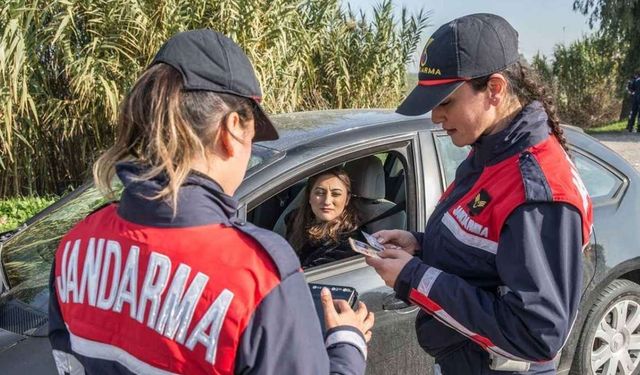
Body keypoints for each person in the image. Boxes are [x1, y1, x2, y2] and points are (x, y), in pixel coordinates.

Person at [48, 29, 374, 375]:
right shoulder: (256, 275)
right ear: (232, 129)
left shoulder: (76, 244)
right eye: (251, 138)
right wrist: (347, 345)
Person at [366, 13, 593, 375]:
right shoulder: (489, 150)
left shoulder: (537, 193)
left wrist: (414, 277)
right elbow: (491, 252)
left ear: (495, 89)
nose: (435, 117)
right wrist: (420, 246)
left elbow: (537, 336)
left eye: (446, 102)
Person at [286, 167, 366, 268]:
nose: (327, 201)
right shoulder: (295, 219)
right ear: (309, 197)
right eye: (320, 193)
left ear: (347, 199)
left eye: (336, 194)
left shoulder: (350, 243)